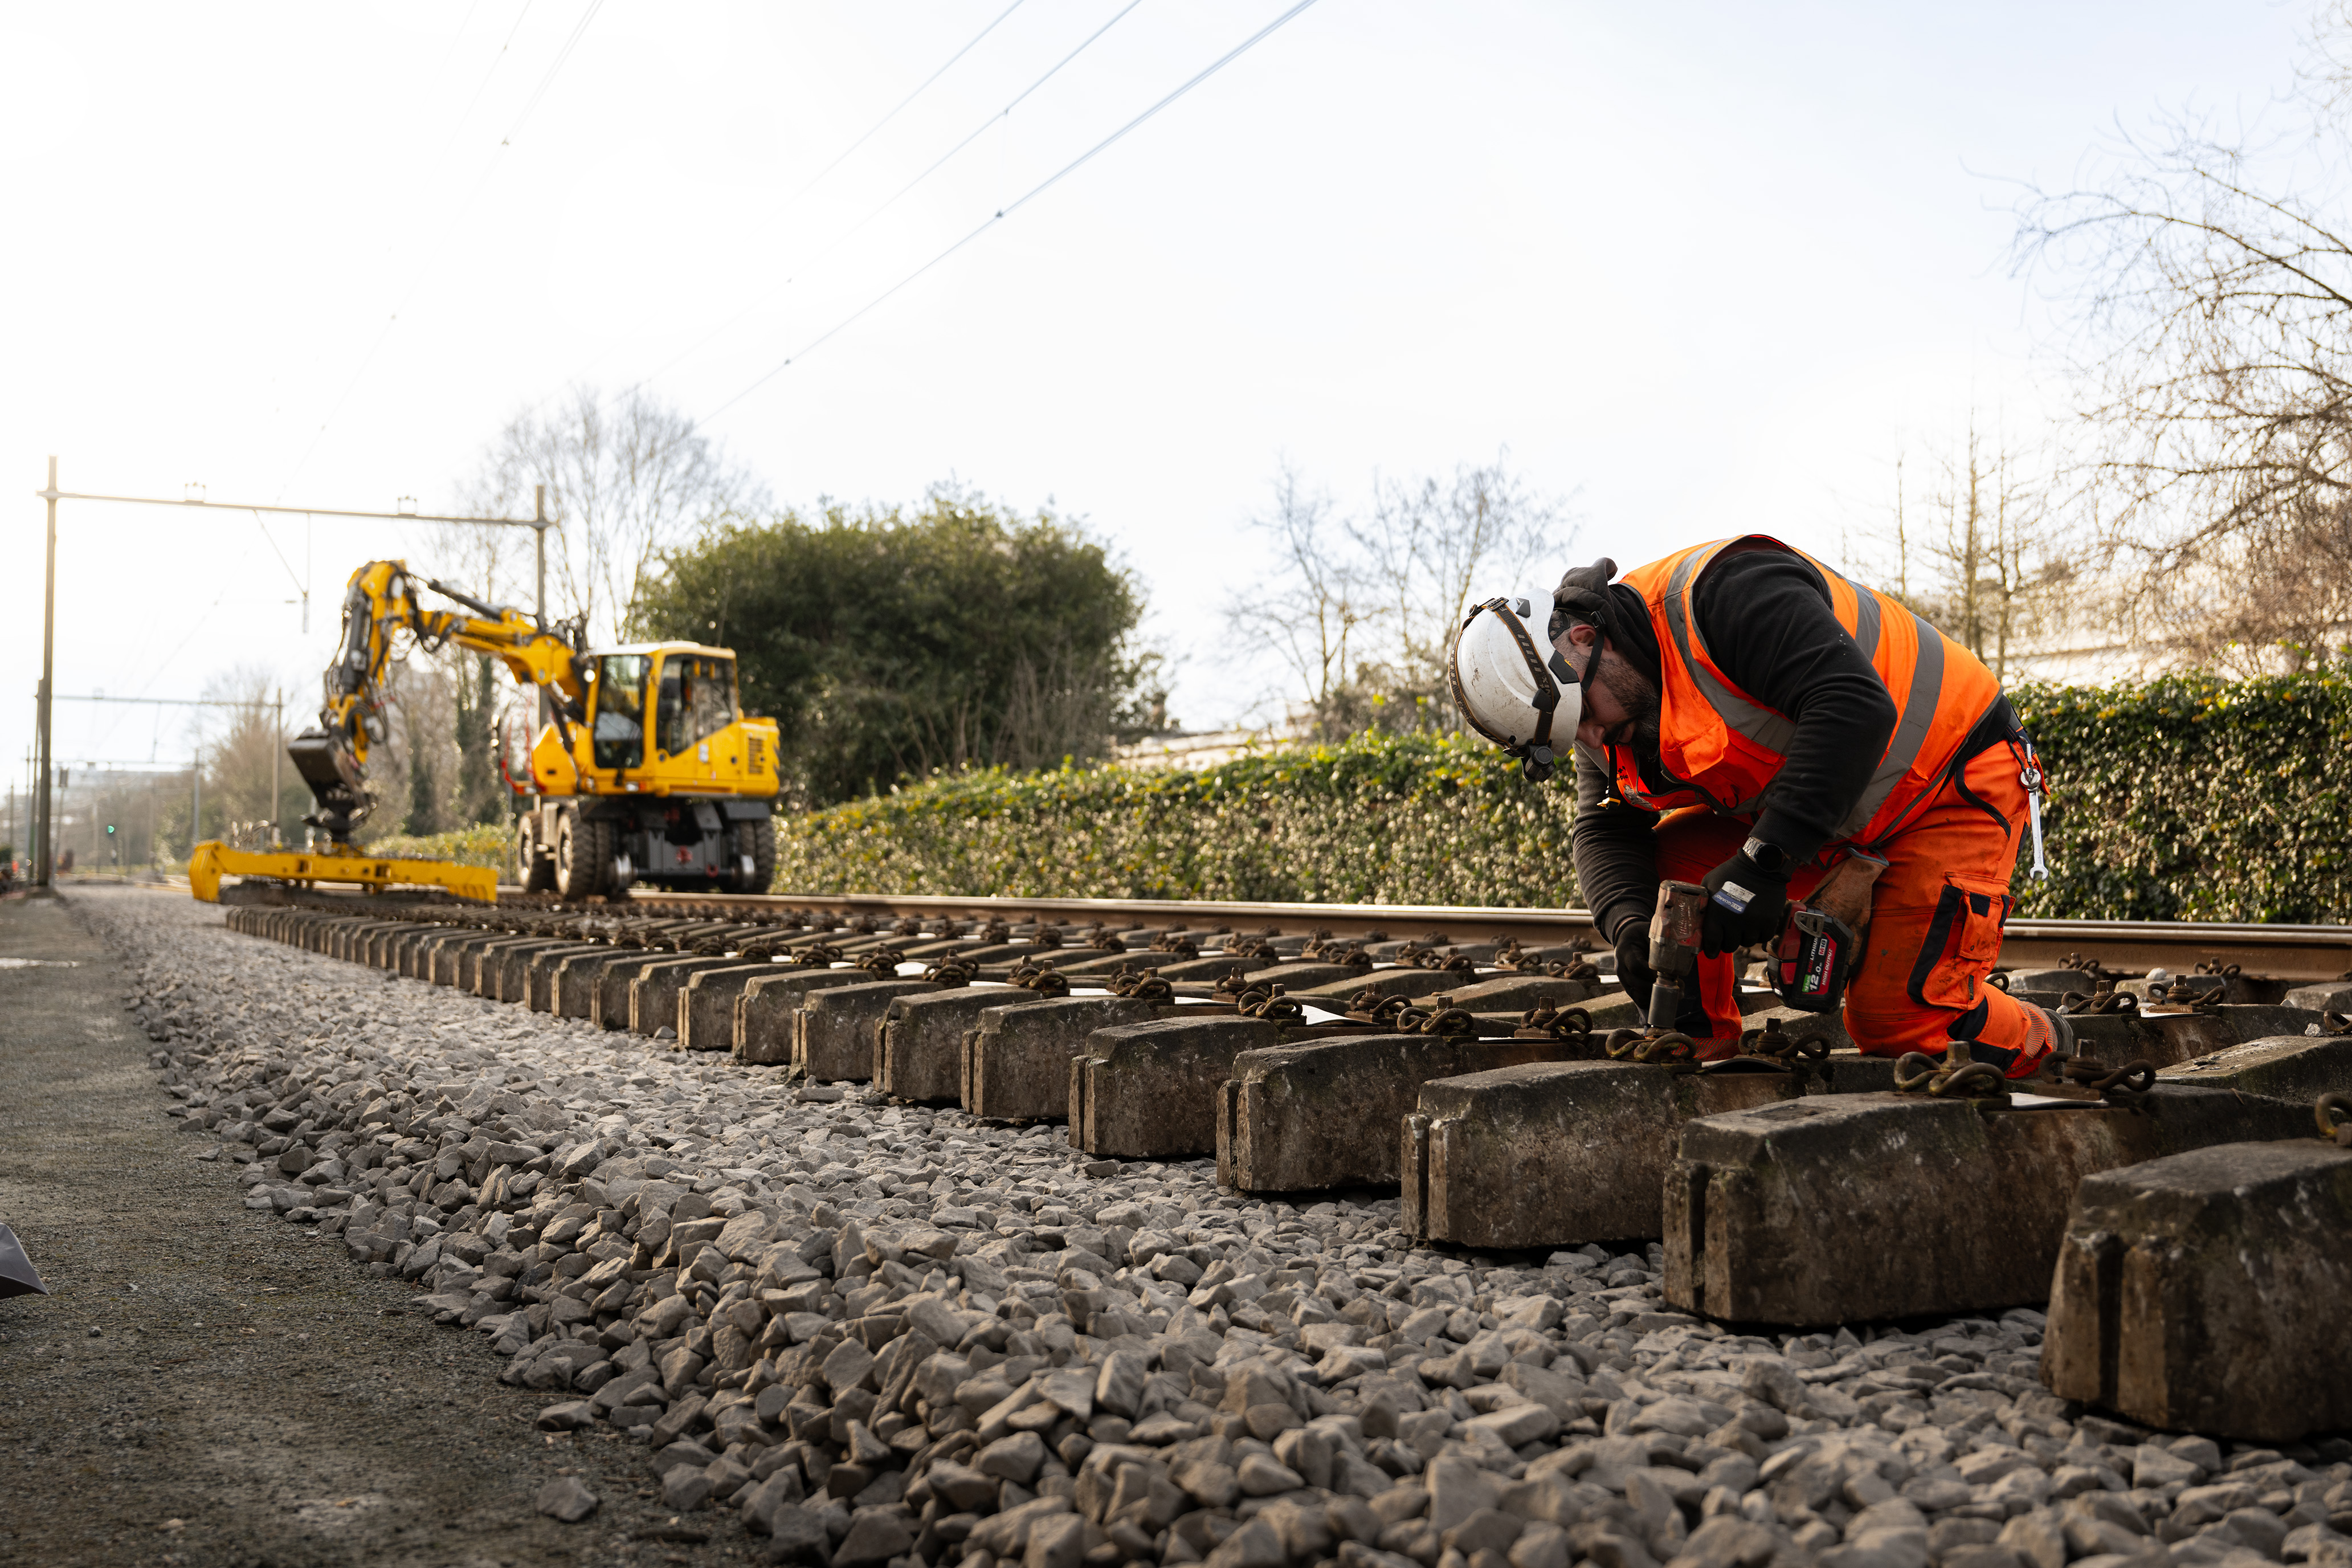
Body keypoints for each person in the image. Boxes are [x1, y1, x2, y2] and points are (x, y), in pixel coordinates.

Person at [1449, 534, 2068, 1074]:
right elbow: (1606, 826)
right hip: (1838, 814)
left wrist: (1762, 865)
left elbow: (1854, 706)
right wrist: (1631, 928)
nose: (1590, 741)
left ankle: (2048, 1041)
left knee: (1898, 1022)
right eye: (1569, 738)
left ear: (1583, 640)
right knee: (1667, 880)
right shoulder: (1597, 704)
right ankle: (1696, 1044)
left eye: (1582, 720)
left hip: (1950, 784)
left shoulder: (1727, 593)